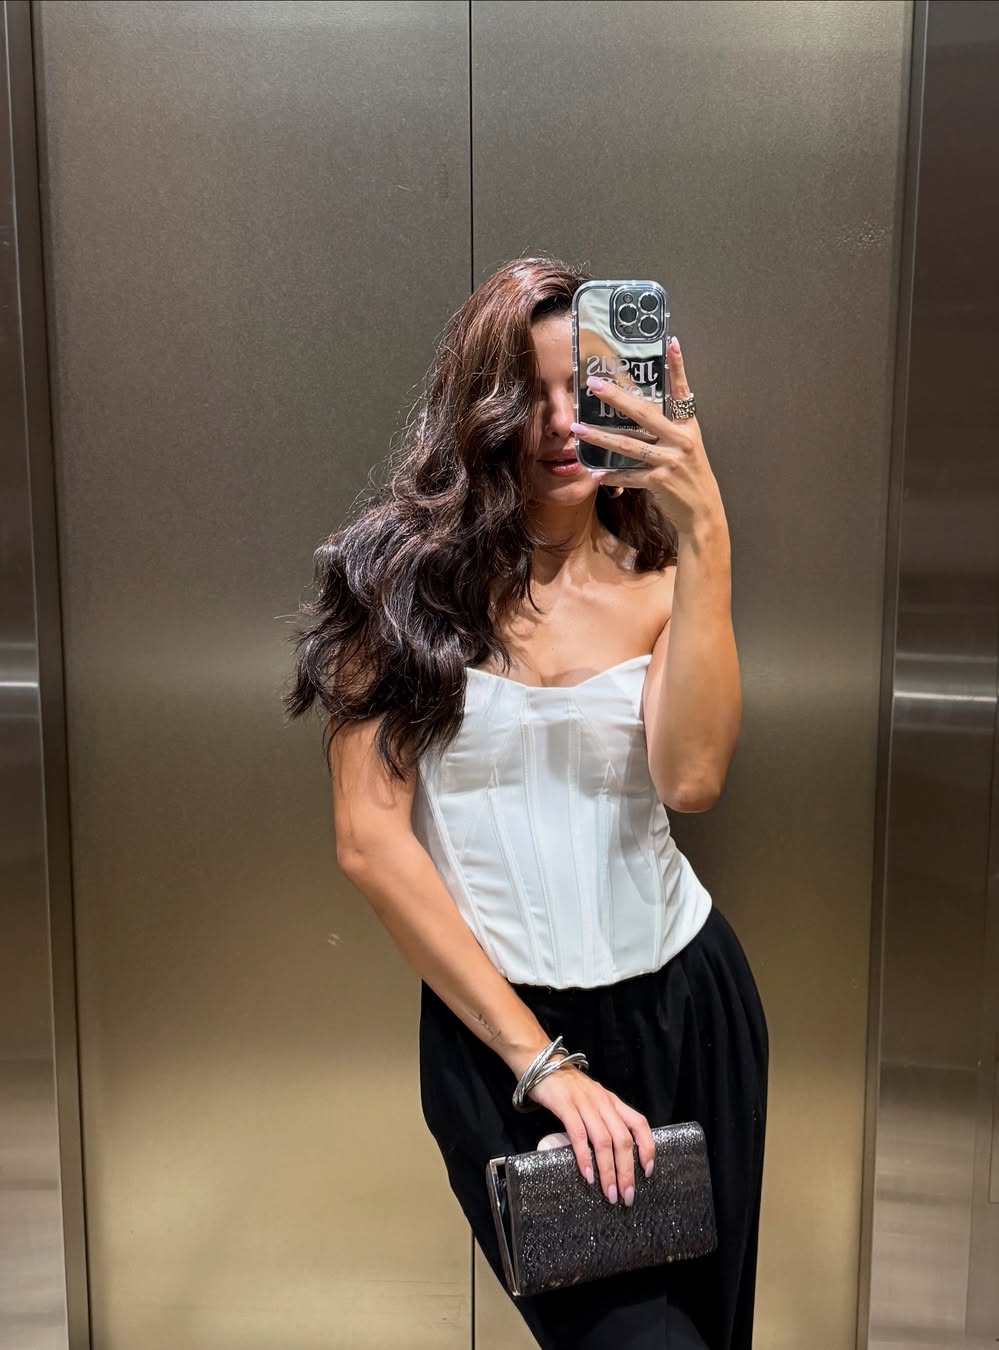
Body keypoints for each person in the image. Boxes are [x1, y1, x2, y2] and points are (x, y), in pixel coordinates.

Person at [283, 257, 768, 1349]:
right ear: (480, 407)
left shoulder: (661, 581)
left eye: (586, 388)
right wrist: (544, 1065)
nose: (562, 422)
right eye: (530, 392)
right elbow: (368, 840)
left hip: (692, 1013)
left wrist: (708, 535)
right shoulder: (394, 587)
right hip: (503, 1040)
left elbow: (691, 781)